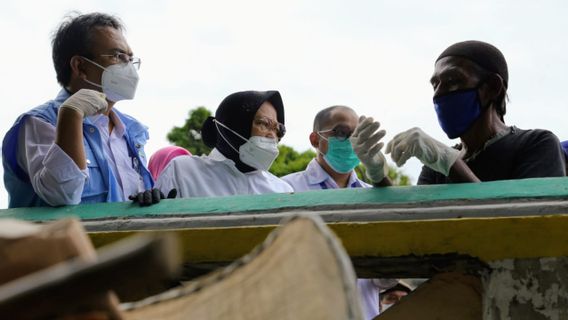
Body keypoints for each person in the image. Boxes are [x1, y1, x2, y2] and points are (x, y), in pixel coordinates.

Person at [2, 12, 153, 208]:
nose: (129, 67)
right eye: (117, 56)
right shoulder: (40, 123)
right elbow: (61, 195)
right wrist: (71, 114)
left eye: (130, 58)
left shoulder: (132, 131)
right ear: (80, 66)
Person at [373, 40, 565, 184]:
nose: (438, 93)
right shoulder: (436, 168)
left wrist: (449, 162)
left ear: (492, 87)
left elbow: (523, 224)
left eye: (452, 81)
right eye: (435, 84)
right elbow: (415, 222)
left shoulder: (536, 145)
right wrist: (378, 176)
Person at [282, 105, 391, 319]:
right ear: (315, 140)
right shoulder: (286, 190)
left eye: (356, 135)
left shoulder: (375, 196)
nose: (351, 141)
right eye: (341, 133)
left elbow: (385, 277)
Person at [145, 90, 292, 200]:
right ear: (235, 125)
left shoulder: (281, 191)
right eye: (264, 124)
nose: (272, 135)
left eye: (278, 129)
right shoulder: (183, 172)